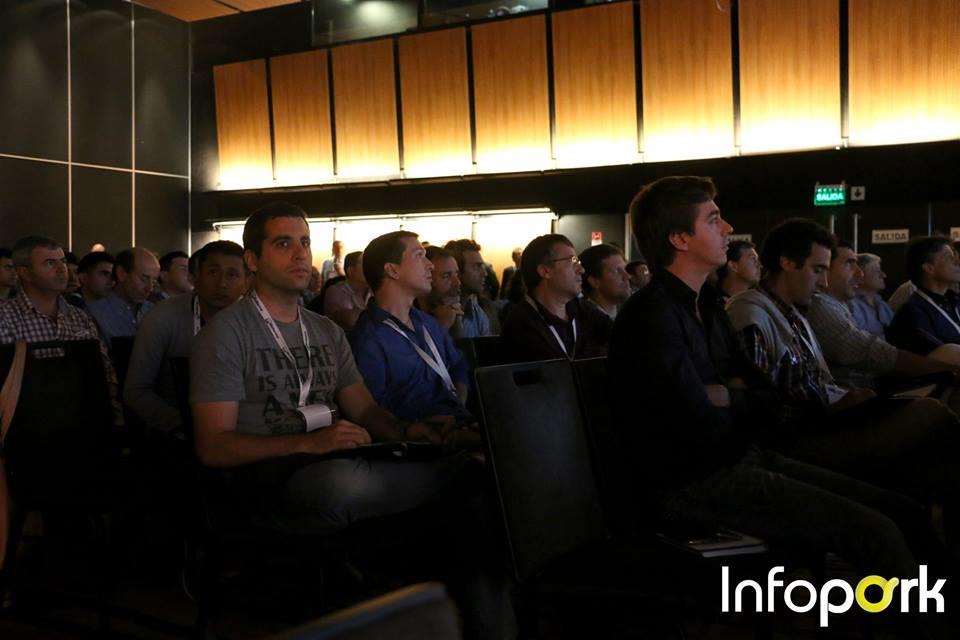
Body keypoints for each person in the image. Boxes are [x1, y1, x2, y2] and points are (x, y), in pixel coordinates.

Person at [190, 203, 512, 638]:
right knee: (453, 485)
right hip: (271, 478)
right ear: (253, 259)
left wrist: (407, 431)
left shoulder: (326, 331)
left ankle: (469, 622)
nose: (300, 254)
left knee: (470, 495)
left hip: (338, 461)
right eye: (283, 244)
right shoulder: (226, 333)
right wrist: (308, 444)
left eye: (305, 243)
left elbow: (366, 410)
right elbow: (213, 446)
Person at [609, 176, 932, 584]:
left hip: (742, 457)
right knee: (879, 533)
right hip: (695, 482)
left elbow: (765, 394)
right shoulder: (650, 315)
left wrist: (729, 396)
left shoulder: (707, 306)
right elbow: (691, 414)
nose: (728, 229)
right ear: (680, 238)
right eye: (713, 220)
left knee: (904, 511)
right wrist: (737, 397)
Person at [351, 233, 477, 436]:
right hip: (422, 441)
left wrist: (457, 403)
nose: (430, 265)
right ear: (392, 270)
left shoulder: (428, 323)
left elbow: (458, 366)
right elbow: (376, 412)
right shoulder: (369, 339)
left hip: (458, 427)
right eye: (419, 256)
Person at [124, 241, 246, 436]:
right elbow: (136, 390)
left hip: (243, 427)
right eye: (213, 272)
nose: (222, 283)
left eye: (232, 275)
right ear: (195, 277)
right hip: (178, 427)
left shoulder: (253, 320)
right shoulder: (163, 316)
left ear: (246, 281)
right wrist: (184, 426)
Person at [806, 240, 960, 390]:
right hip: (857, 392)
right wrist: (948, 370)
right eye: (849, 263)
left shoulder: (843, 305)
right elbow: (868, 351)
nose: (860, 273)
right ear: (825, 269)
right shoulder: (821, 306)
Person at [0, 236, 121, 421]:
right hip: (24, 421)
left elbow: (104, 372)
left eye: (63, 261)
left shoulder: (79, 317)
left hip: (81, 418)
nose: (62, 269)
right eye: (50, 263)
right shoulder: (5, 317)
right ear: (24, 273)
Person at [500, 234, 612, 361]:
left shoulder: (582, 309)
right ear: (545, 271)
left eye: (578, 261)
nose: (581, 270)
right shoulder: (521, 326)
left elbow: (621, 336)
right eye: (572, 261)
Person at [887, 236, 960, 360]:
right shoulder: (913, 314)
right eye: (950, 257)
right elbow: (942, 358)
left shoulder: (952, 302)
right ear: (929, 268)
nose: (958, 262)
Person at [87, 247, 160, 347]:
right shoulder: (94, 314)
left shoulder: (154, 311)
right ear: (121, 273)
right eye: (144, 279)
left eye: (154, 281)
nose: (149, 288)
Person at [443, 239, 500, 337]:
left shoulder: (478, 313)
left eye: (482, 266)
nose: (484, 273)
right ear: (457, 271)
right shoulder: (438, 314)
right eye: (477, 266)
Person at [312, 251, 370, 332]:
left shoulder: (371, 291)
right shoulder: (336, 291)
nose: (369, 267)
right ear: (350, 270)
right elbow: (352, 321)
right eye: (363, 263)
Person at [416, 246, 465, 337]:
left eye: (457, 274)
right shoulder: (406, 319)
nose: (457, 283)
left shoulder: (459, 312)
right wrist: (442, 326)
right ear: (425, 278)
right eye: (446, 276)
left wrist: (457, 323)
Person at [578, 243, 631, 319]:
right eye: (616, 271)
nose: (627, 276)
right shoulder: (582, 322)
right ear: (594, 281)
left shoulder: (631, 315)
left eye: (625, 269)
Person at [849, 252, 894, 337]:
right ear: (860, 275)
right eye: (877, 271)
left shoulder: (882, 305)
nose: (883, 275)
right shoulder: (852, 306)